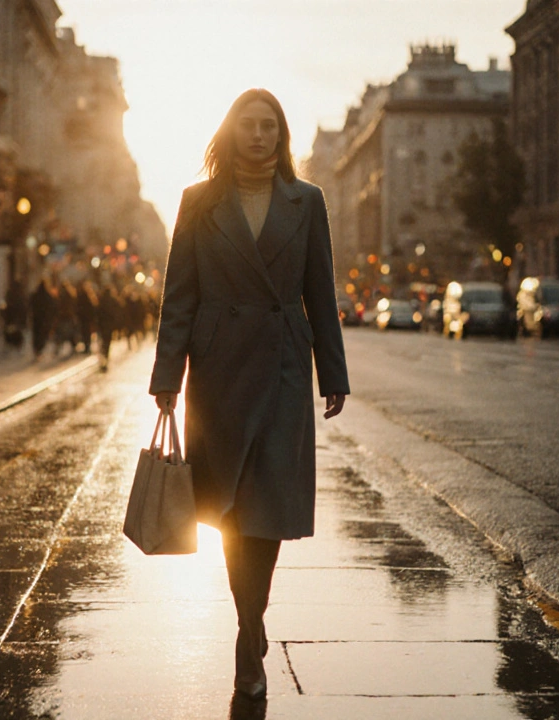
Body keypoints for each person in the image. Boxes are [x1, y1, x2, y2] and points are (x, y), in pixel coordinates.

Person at [148, 89, 349, 701]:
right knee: (229, 505)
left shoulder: (307, 202)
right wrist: (166, 378)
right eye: (248, 125)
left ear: (280, 136)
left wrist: (332, 373)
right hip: (218, 369)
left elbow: (321, 291)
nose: (259, 135)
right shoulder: (197, 202)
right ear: (230, 131)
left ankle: (247, 633)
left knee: (265, 505)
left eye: (269, 126)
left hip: (286, 364)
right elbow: (178, 294)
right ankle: (252, 621)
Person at [97, 283, 123, 371]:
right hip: (109, 325)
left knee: (104, 341)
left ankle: (103, 355)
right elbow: (117, 313)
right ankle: (105, 355)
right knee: (107, 342)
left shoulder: (101, 300)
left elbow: (98, 313)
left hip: (103, 325)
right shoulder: (113, 300)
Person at [29, 277, 56, 360]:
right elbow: (52, 306)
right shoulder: (47, 295)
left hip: (36, 318)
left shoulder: (35, 295)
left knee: (37, 334)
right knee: (42, 334)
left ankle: (37, 349)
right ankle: (39, 349)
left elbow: (30, 305)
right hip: (44, 319)